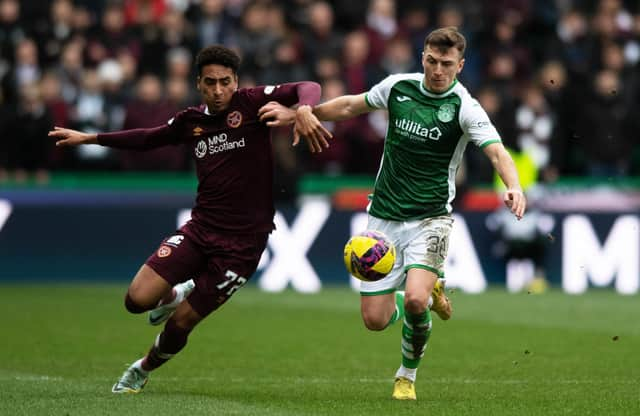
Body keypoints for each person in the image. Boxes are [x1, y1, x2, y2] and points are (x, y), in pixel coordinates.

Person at [260, 26, 526, 400]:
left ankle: (406, 375)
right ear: (423, 58)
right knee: (375, 321)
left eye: (446, 64)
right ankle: (417, 293)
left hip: (430, 219)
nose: (437, 70)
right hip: (382, 218)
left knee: (417, 301)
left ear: (460, 66)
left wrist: (513, 185)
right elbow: (352, 104)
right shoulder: (399, 87)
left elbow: (497, 152)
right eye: (431, 61)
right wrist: (298, 113)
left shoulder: (465, 107)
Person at [48, 45, 330, 394]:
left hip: (243, 246)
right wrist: (91, 138)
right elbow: (149, 137)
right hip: (200, 230)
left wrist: (303, 108)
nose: (218, 90)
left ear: (235, 81)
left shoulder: (252, 102)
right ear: (198, 83)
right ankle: (173, 294)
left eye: (225, 82)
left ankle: (142, 368)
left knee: (182, 324)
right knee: (136, 300)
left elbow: (309, 86)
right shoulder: (190, 121)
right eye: (210, 82)